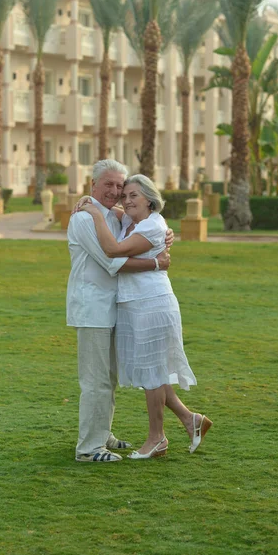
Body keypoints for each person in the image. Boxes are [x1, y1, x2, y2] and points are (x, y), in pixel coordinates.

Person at [80, 174, 212, 459]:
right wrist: (94, 202)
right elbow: (114, 209)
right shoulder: (133, 220)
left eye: (133, 196)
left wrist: (93, 212)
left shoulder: (152, 226)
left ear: (151, 200)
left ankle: (157, 439)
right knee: (151, 372)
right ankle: (191, 419)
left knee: (152, 373)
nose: (126, 200)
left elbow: (112, 250)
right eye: (124, 195)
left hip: (151, 303)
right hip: (134, 304)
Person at [66, 160, 173, 463]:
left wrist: (164, 233)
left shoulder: (113, 216)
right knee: (95, 380)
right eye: (108, 185)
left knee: (108, 378)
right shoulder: (85, 219)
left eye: (120, 186)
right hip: (92, 309)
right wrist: (157, 263)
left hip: (112, 307)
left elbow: (145, 226)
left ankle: (102, 433)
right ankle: (89, 448)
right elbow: (113, 261)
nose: (115, 192)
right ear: (93, 185)